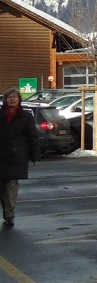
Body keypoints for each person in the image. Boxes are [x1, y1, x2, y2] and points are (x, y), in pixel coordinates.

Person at [1, 87, 41, 227]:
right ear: (5, 99)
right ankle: (7, 211)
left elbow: (33, 137)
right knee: (2, 188)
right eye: (9, 97)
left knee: (11, 187)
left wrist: (35, 156)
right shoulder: (1, 114)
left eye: (14, 97)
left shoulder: (25, 116)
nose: (12, 99)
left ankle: (9, 214)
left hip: (16, 157)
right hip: (1, 156)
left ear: (19, 100)